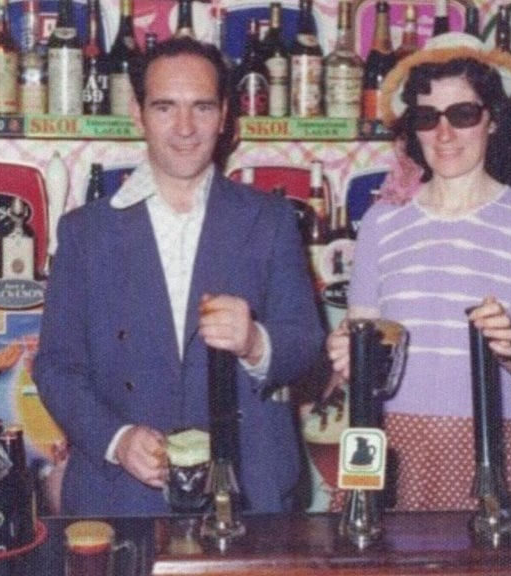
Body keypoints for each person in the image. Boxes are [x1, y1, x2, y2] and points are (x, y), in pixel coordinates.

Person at [33, 36, 323, 516]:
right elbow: (56, 368)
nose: (185, 128)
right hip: (123, 494)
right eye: (165, 107)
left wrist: (256, 342)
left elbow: (307, 343)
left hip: (248, 487)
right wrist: (118, 439)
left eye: (202, 107)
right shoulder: (86, 231)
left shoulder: (270, 219)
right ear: (138, 113)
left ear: (225, 114)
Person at [325, 32, 511, 511]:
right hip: (383, 443)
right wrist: (348, 356)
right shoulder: (380, 221)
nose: (445, 133)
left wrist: (509, 344)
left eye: (463, 114)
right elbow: (364, 351)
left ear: (493, 120)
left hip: (484, 445)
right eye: (427, 118)